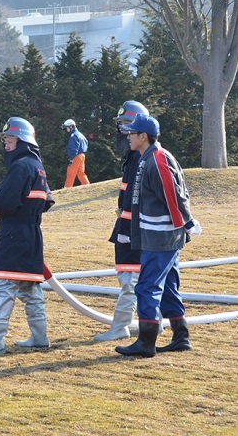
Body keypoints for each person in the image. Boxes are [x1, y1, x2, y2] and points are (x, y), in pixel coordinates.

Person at [115, 113, 201, 358]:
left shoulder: (158, 159)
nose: (128, 137)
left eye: (132, 134)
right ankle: (180, 336)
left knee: (147, 286)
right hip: (158, 234)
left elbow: (172, 196)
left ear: (144, 136)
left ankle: (146, 342)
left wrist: (186, 222)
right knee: (169, 285)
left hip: (161, 236)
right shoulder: (149, 157)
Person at [0, 117, 55, 357]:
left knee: (4, 288)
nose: (6, 144)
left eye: (10, 139)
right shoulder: (37, 167)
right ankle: (40, 337)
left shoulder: (19, 167)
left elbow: (4, 203)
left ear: (23, 141)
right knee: (30, 289)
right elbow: (46, 201)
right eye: (5, 139)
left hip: (12, 235)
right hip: (33, 235)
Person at [94, 101, 149, 341]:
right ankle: (142, 323)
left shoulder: (143, 159)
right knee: (132, 278)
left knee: (131, 279)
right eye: (121, 126)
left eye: (127, 126)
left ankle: (121, 327)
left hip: (135, 232)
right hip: (128, 229)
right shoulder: (133, 158)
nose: (123, 132)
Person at [60, 119, 90, 188]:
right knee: (81, 173)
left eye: (67, 128)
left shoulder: (73, 135)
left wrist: (71, 159)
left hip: (76, 156)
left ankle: (67, 188)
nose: (66, 130)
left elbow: (73, 149)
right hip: (82, 155)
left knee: (71, 173)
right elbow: (86, 143)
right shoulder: (80, 134)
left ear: (71, 127)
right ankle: (87, 186)